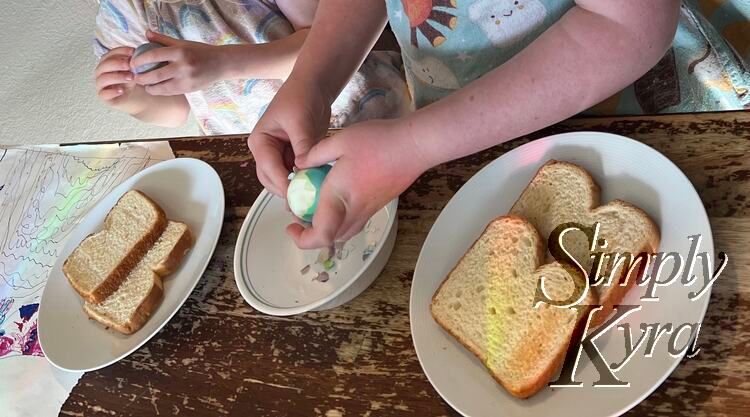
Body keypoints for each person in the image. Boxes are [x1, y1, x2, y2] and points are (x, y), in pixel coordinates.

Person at [248, 0, 749, 249]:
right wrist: (310, 81)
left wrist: (415, 142)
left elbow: (629, 23)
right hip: (462, 143)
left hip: (640, 129)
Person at [93, 0, 410, 134]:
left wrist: (220, 64)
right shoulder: (125, 8)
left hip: (362, 114)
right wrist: (131, 96)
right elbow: (174, 112)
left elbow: (326, 42)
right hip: (257, 149)